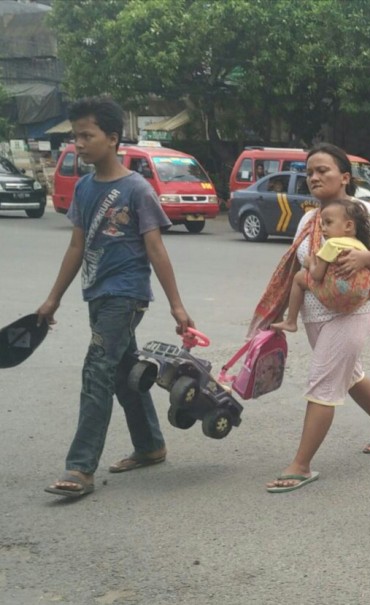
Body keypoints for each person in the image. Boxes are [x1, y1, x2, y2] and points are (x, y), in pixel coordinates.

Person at [38, 97, 194, 499]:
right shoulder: (85, 187)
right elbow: (76, 247)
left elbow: (156, 249)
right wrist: (53, 298)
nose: (78, 143)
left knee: (96, 372)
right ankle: (150, 446)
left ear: (112, 138)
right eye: (75, 136)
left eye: (86, 135)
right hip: (98, 293)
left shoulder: (136, 189)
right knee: (127, 375)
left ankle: (79, 467)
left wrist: (177, 306)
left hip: (125, 295)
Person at [259, 144, 370, 494]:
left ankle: (301, 465)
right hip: (315, 312)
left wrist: (363, 259)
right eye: (309, 171)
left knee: (324, 382)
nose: (313, 177)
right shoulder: (309, 219)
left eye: (322, 170)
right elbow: (301, 266)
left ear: (344, 177)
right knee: (351, 375)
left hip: (352, 313)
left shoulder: (365, 212)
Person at [271, 198, 370, 340]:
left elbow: (317, 275)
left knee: (298, 278)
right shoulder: (361, 248)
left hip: (333, 296)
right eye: (322, 224)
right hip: (357, 300)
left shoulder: (332, 245)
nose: (323, 228)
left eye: (328, 223)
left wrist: (310, 263)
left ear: (348, 226)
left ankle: (291, 321)